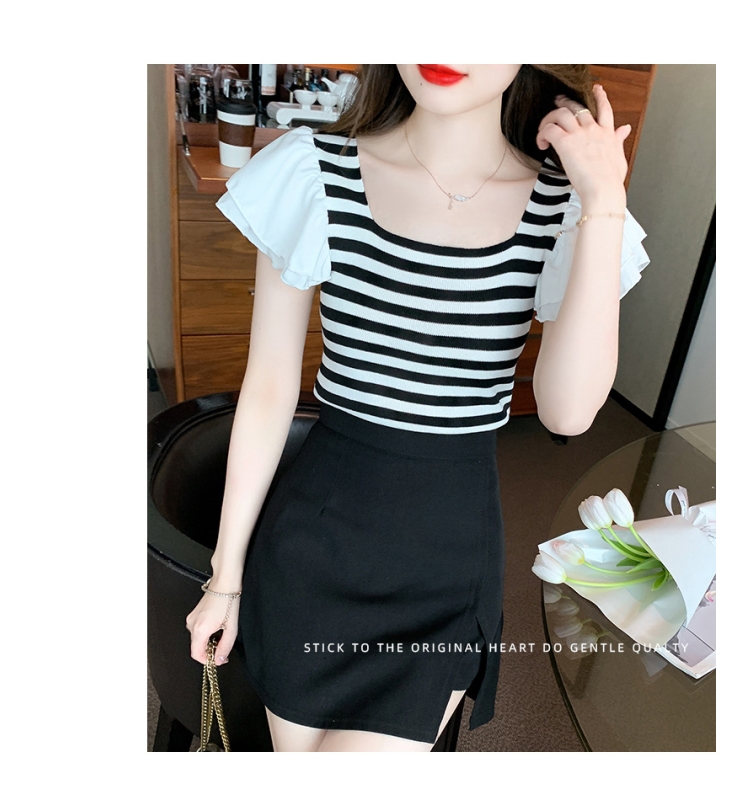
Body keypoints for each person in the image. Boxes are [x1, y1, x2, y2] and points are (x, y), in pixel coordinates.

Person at [185, 64, 649, 752]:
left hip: (444, 560)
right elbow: (270, 388)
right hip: (314, 545)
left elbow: (568, 413)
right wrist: (225, 581)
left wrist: (603, 202)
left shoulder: (566, 206)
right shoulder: (313, 171)